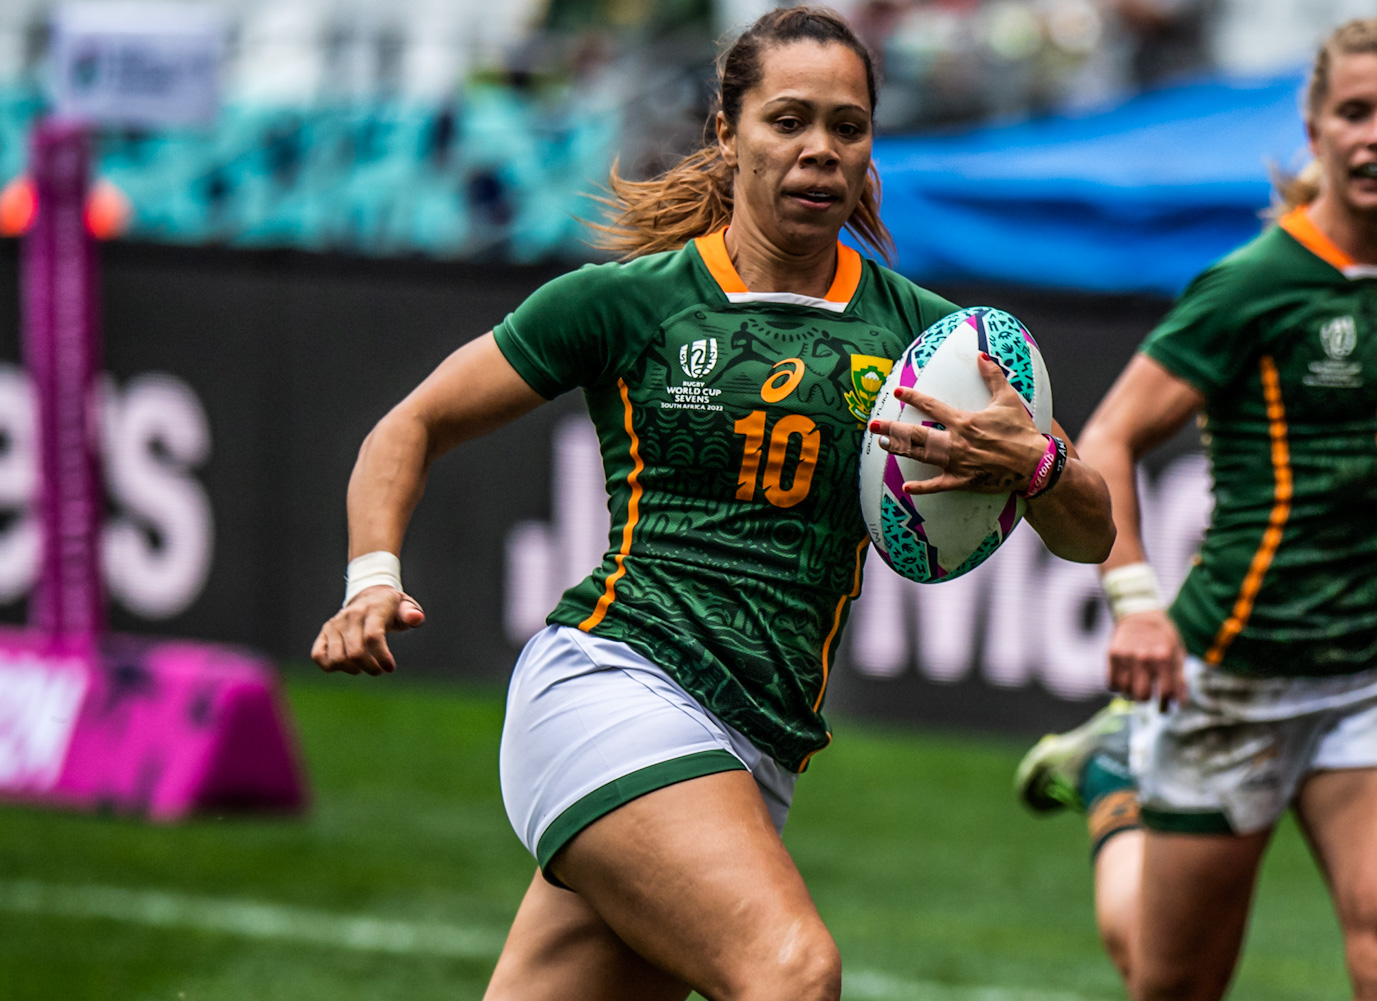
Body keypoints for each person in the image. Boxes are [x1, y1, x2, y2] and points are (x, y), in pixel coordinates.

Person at [310, 9, 1114, 999]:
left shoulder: (934, 342)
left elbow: (1092, 530)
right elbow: (408, 427)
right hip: (611, 682)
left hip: (756, 744)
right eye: (788, 119)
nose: (820, 148)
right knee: (791, 970)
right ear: (726, 130)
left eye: (847, 126)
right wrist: (370, 576)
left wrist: (1036, 465)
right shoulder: (629, 302)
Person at [1015, 19, 1377, 1001]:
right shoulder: (1251, 285)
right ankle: (1114, 783)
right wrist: (1136, 602)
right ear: (1316, 128)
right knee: (1166, 975)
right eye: (1355, 112)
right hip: (1233, 667)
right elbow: (1108, 436)